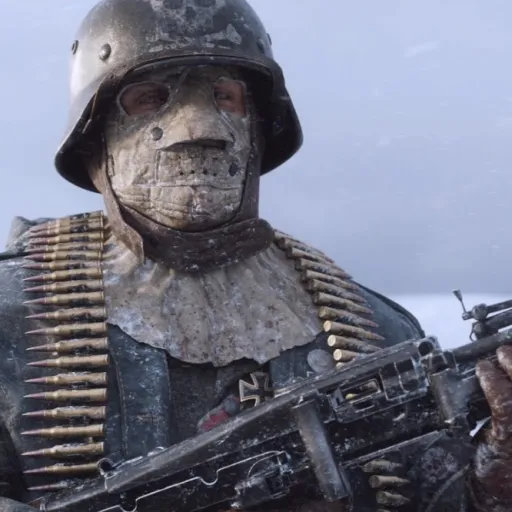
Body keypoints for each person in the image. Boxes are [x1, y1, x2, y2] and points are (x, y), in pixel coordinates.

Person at [0, 0, 510, 510]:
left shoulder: (374, 329)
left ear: (260, 129)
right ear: (96, 138)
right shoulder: (13, 319)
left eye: (226, 97)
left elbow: (429, 496)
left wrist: (490, 484)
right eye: (150, 98)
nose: (199, 128)